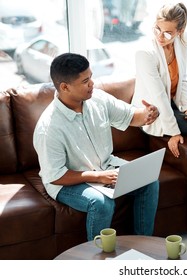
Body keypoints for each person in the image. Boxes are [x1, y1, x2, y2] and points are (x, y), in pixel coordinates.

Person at [33, 53, 160, 241]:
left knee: (148, 180)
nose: (92, 84)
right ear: (65, 87)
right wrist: (98, 177)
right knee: (101, 202)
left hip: (104, 166)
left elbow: (132, 117)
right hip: (67, 181)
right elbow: (56, 175)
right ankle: (97, 258)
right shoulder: (49, 128)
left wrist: (148, 115)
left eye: (91, 77)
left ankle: (143, 244)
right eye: (85, 81)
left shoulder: (98, 99)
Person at [131, 2, 187, 158]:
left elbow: (182, 78)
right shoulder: (144, 53)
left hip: (173, 106)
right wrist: (173, 132)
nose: (160, 36)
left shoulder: (183, 40)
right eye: (157, 29)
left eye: (167, 33)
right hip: (154, 112)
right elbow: (158, 96)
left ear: (180, 31)